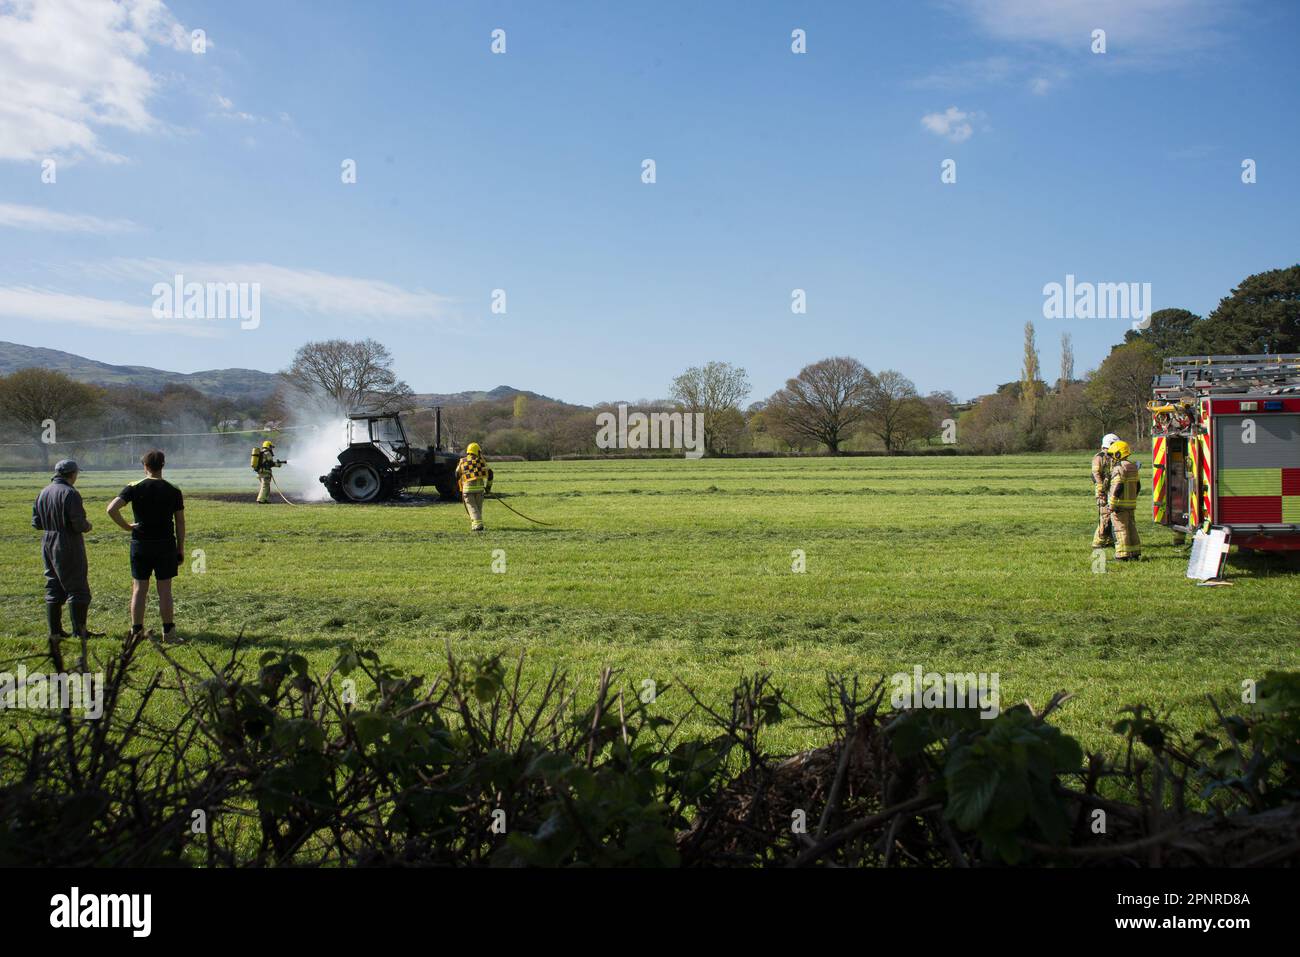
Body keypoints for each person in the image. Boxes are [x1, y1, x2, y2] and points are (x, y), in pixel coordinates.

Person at [106, 449, 186, 641]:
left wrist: (127, 527)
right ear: (163, 466)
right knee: (165, 589)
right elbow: (180, 522)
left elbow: (111, 509)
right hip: (165, 543)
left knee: (139, 588)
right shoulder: (173, 490)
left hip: (141, 543)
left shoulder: (133, 487)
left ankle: (136, 631)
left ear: (145, 466)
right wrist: (180, 548)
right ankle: (169, 632)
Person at [31, 459, 98, 664]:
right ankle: (80, 631)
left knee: (53, 585)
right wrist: (88, 526)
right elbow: (77, 523)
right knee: (77, 586)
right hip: (67, 541)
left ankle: (56, 631)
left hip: (48, 542)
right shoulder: (70, 493)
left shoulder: (44, 491)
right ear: (72, 474)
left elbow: (36, 523)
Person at [1106, 440, 1142, 561]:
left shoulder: (1119, 468)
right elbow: (1138, 486)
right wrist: (1132, 499)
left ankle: (1122, 555)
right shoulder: (1133, 466)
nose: (1111, 458)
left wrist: (1112, 503)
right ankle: (1135, 553)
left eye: (1112, 455)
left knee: (1120, 529)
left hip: (1119, 505)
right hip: (1131, 504)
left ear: (1118, 454)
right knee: (1131, 528)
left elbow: (1118, 486)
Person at [455, 442, 494, 532]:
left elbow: (456, 474)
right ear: (478, 451)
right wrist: (488, 488)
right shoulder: (482, 462)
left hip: (468, 490)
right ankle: (476, 525)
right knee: (478, 508)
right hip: (480, 490)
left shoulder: (463, 461)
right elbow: (490, 474)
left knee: (472, 508)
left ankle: (477, 525)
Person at [1091, 432, 1120, 548]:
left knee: (1111, 516)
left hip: (1110, 490)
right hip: (1102, 490)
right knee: (1105, 516)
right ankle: (1098, 541)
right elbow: (1095, 474)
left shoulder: (1112, 457)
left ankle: (1108, 540)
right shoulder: (1099, 457)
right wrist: (1101, 490)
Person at [252, 440, 286, 504]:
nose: (271, 448)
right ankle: (260, 499)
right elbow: (270, 463)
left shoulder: (261, 452)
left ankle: (265, 500)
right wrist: (278, 464)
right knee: (265, 486)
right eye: (271, 447)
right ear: (268, 446)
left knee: (266, 486)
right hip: (265, 472)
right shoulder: (267, 453)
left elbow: (266, 463)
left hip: (260, 472)